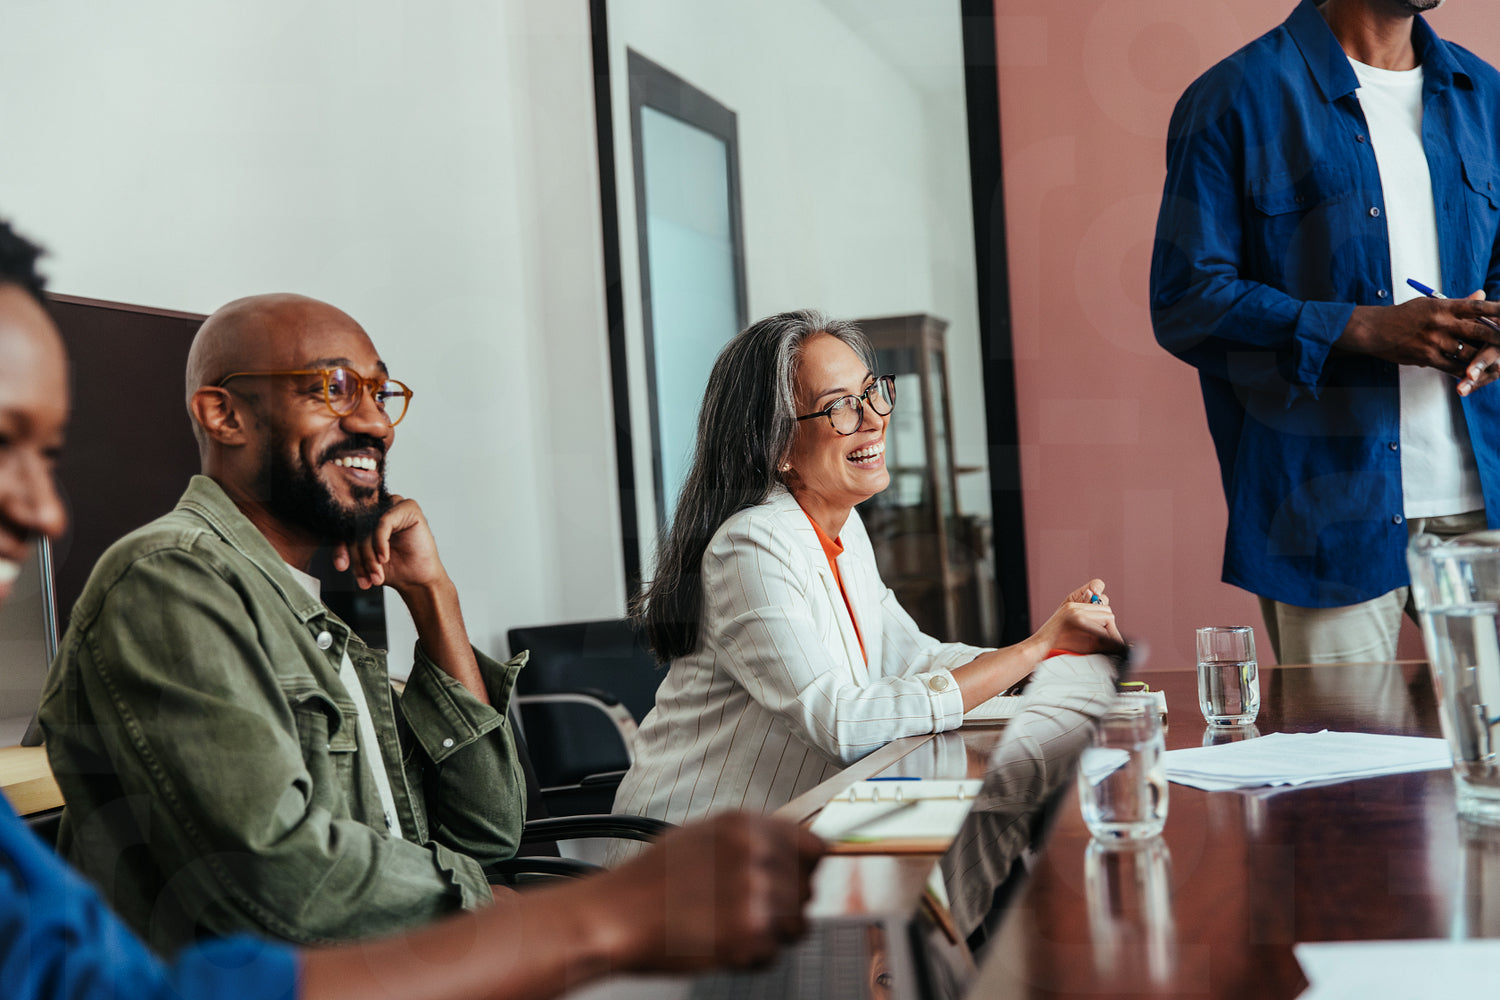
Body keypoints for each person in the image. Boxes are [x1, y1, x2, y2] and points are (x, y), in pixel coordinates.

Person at [0, 218, 822, 1000]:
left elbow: (491, 829)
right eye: (332, 388)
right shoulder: (173, 581)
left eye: (379, 391)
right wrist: (519, 910)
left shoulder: (313, 609)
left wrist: (434, 598)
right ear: (224, 413)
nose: (373, 422)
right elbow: (284, 886)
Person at [610, 310, 1121, 841]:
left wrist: (1048, 659)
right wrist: (1036, 649)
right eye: (841, 407)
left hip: (796, 830)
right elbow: (843, 724)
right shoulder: (751, 544)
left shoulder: (843, 526)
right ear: (778, 446)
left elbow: (915, 658)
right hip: (690, 854)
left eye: (871, 392)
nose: (874, 418)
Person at [1151, 0, 1500, 664]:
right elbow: (1185, 301)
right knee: (1347, 733)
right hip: (1325, 505)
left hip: (1486, 497)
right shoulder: (1235, 96)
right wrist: (1360, 329)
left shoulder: (1487, 96)